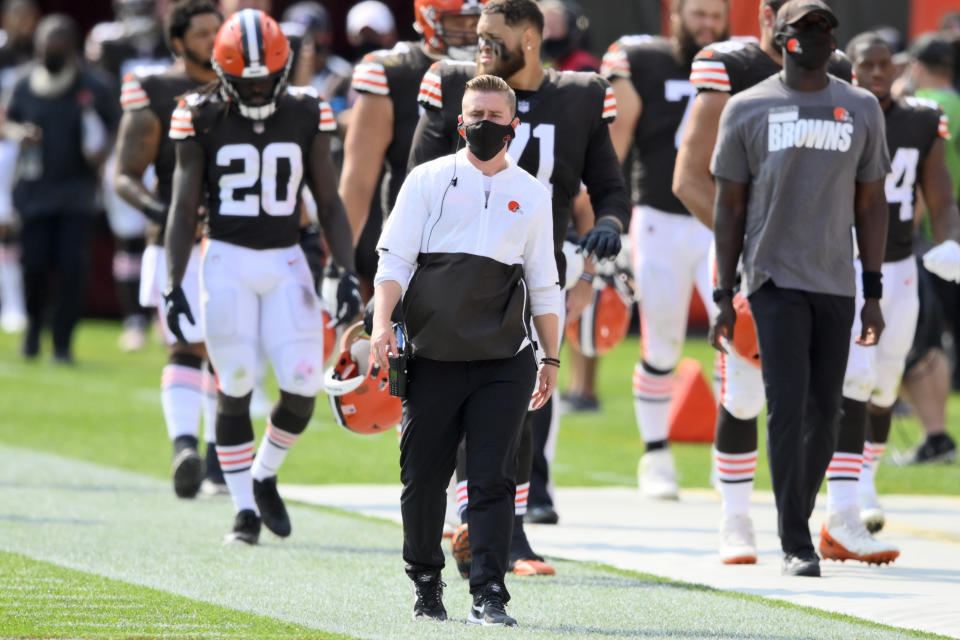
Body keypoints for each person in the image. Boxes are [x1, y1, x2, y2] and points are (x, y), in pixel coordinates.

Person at [410, 0, 629, 577]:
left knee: (527, 403)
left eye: (491, 38)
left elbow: (608, 185)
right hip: (455, 276)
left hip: (536, 272)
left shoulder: (579, 93)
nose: (479, 48)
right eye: (477, 38)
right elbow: (415, 185)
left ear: (530, 38)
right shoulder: (457, 84)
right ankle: (471, 527)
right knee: (455, 401)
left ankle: (507, 532)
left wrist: (607, 225)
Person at [163, 9, 360, 544]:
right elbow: (182, 212)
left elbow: (328, 200)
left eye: (265, 78)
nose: (256, 89)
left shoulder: (307, 109)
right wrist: (172, 282)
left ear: (284, 68)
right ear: (222, 71)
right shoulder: (197, 114)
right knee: (237, 383)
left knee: (301, 381)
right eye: (246, 80)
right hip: (224, 259)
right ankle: (244, 511)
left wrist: (346, 269)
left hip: (285, 258)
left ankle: (264, 473)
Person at [371, 73, 561, 627]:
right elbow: (395, 259)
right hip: (431, 356)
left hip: (504, 358)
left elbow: (545, 283)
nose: (484, 125)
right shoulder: (427, 180)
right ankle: (425, 579)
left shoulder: (530, 193)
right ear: (459, 122)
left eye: (494, 117)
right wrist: (383, 324)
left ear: (513, 126)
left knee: (494, 477)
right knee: (423, 478)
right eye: (474, 115)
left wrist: (550, 357)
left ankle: (490, 592)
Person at [710, 0, 891, 577]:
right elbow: (729, 207)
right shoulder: (748, 107)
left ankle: (799, 516)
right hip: (772, 277)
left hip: (835, 279)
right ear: (781, 38)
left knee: (825, 409)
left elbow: (871, 202)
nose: (817, 39)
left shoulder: (860, 106)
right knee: (786, 405)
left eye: (825, 30)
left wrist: (874, 290)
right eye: (805, 31)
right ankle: (795, 542)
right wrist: (722, 292)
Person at [673, 0, 851, 564]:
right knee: (746, 395)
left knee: (828, 395)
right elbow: (690, 178)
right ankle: (735, 518)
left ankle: (828, 514)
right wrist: (750, 254)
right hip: (752, 257)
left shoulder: (838, 73)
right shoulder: (731, 67)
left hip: (820, 262)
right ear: (765, 16)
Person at [601, 0, 728, 501]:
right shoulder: (643, 61)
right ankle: (655, 454)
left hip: (717, 221)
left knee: (736, 340)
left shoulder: (737, 65)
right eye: (699, 14)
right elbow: (616, 141)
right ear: (675, 15)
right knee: (661, 345)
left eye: (716, 16)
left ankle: (729, 455)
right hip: (656, 217)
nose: (708, 25)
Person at [114, 0, 225, 498]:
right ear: (177, 41)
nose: (213, 42)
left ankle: (222, 458)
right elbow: (124, 175)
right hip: (177, 241)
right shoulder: (154, 89)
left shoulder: (246, 85)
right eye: (202, 33)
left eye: (216, 32)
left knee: (231, 350)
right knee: (185, 344)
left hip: (237, 239)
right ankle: (186, 446)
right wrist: (164, 215)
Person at [339, 0, 487, 298]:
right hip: (413, 247)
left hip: (490, 245)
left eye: (477, 22)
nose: (471, 32)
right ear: (429, 19)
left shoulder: (508, 69)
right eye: (460, 22)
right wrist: (341, 266)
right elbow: (358, 182)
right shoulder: (396, 72)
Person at [3, 14, 117, 362]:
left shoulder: (92, 85)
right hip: (35, 191)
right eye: (44, 47)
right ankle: (33, 331)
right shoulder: (25, 83)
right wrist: (17, 134)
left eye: (56, 47)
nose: (49, 53)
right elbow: (7, 120)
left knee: (72, 269)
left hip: (76, 193)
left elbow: (117, 126)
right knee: (33, 266)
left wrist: (102, 152)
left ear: (70, 49)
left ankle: (63, 342)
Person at [87, 0, 173, 352]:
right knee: (129, 237)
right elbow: (97, 89)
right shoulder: (109, 42)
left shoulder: (172, 40)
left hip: (169, 148)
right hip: (127, 147)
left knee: (170, 233)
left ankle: (162, 315)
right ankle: (134, 318)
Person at [0, 0, 39, 335]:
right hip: (3, 146)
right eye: (18, 16)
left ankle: (14, 303)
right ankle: (11, 303)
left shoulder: (38, 56)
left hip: (25, 150)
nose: (24, 23)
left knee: (11, 224)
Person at [540, 0, 599, 72]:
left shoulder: (583, 65)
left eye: (553, 26)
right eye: (544, 27)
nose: (548, 34)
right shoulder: (548, 65)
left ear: (570, 26)